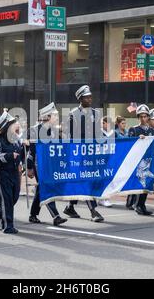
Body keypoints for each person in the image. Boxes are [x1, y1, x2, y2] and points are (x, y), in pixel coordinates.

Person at [63, 85, 104, 222]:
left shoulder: (96, 113)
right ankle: (93, 210)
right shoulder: (73, 113)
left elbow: (99, 133)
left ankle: (70, 206)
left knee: (83, 179)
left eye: (90, 96)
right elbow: (68, 134)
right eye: (86, 97)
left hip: (91, 152)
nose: (90, 99)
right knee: (86, 179)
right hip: (78, 152)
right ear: (80, 99)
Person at [27, 103, 68, 226]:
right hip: (39, 164)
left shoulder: (55, 131)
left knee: (41, 188)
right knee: (47, 187)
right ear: (48, 116)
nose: (57, 118)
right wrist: (29, 167)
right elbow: (31, 151)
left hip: (51, 164)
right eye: (55, 116)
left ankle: (33, 214)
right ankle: (56, 216)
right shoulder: (34, 130)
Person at [0, 112, 24, 234]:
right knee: (6, 198)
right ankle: (8, 225)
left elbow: (20, 154)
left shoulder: (15, 138)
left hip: (14, 171)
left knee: (14, 197)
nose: (17, 126)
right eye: (14, 124)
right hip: (1, 171)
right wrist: (9, 156)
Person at [126, 104, 154, 215]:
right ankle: (136, 204)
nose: (143, 119)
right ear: (138, 117)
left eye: (145, 116)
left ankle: (142, 205)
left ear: (148, 117)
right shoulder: (133, 129)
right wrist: (137, 139)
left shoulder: (153, 130)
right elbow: (129, 144)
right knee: (139, 183)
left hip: (149, 161)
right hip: (137, 161)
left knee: (147, 184)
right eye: (141, 116)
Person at [97, 116, 115, 208]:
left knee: (108, 178)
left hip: (110, 158)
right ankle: (102, 198)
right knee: (101, 178)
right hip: (100, 159)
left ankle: (105, 198)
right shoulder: (98, 133)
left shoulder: (113, 133)